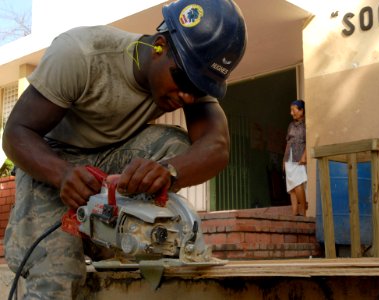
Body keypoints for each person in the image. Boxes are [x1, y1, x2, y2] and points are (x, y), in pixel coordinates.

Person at [2, 0, 247, 298]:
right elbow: (16, 133)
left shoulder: (185, 83)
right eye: (184, 79)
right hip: (52, 161)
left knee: (178, 147)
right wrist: (61, 174)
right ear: (159, 45)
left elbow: (217, 146)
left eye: (200, 88)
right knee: (58, 277)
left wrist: (168, 173)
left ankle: (109, 235)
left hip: (108, 158)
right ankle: (42, 239)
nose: (187, 95)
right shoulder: (81, 53)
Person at [283, 100, 308, 216]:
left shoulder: (306, 124)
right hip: (289, 157)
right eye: (291, 110)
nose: (291, 113)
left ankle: (303, 211)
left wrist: (304, 156)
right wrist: (284, 160)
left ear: (301, 110)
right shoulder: (290, 125)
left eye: (294, 110)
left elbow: (308, 141)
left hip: (299, 157)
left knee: (298, 184)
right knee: (291, 187)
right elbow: (288, 142)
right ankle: (294, 213)